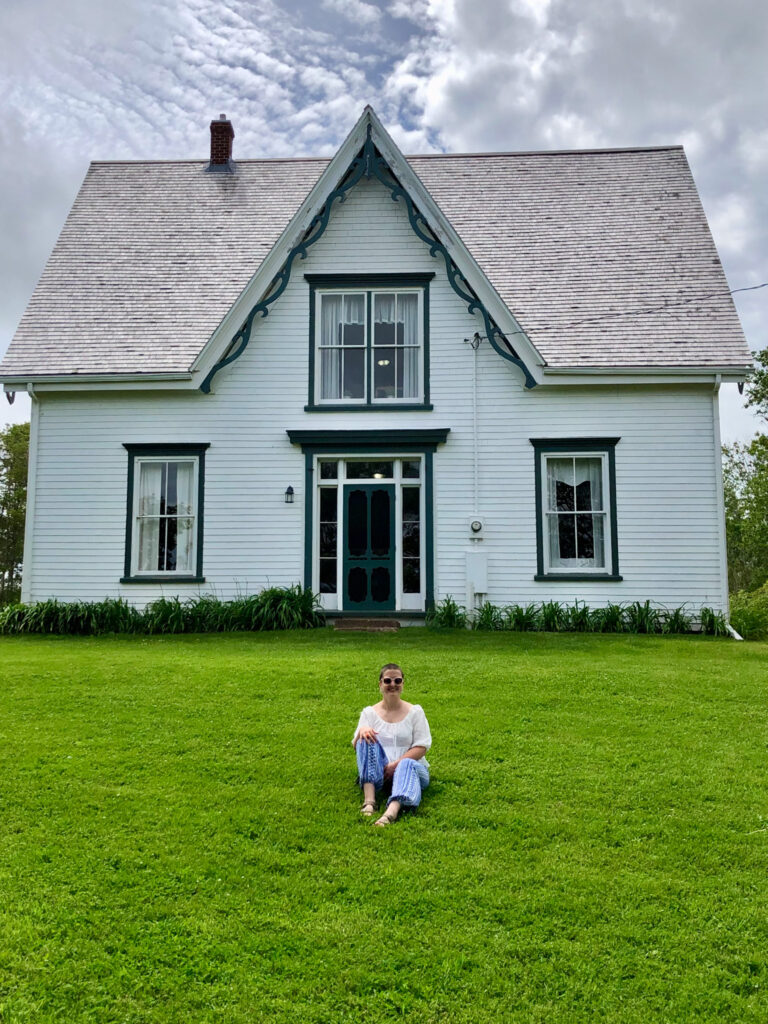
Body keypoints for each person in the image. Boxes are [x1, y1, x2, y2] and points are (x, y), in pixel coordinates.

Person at [352, 663, 432, 826]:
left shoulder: (415, 712)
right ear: (380, 684)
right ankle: (369, 801)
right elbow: (357, 745)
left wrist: (395, 765)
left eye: (397, 681)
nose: (392, 685)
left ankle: (390, 813)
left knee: (407, 763)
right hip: (379, 770)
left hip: (411, 770)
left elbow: (421, 746)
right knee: (365, 737)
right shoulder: (369, 713)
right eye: (387, 681)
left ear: (403, 684)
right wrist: (362, 730)